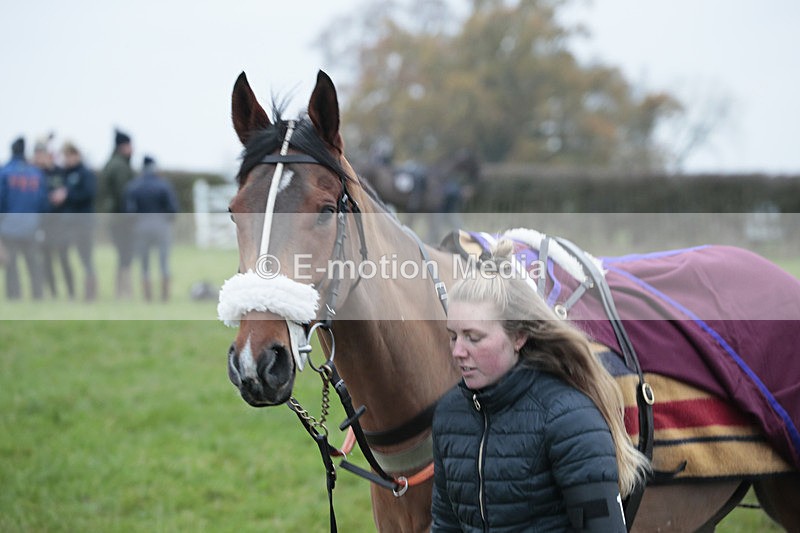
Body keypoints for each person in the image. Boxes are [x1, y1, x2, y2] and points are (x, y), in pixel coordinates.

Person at [431, 239, 649, 532]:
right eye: (453, 336)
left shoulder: (570, 419)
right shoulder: (449, 414)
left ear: (519, 336)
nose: (458, 351)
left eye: (473, 337)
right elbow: (446, 526)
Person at [0, 137, 49, 300]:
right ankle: (38, 297)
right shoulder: (36, 173)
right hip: (32, 226)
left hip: (9, 228)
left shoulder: (4, 172)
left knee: (11, 266)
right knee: (34, 265)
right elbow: (43, 203)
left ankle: (14, 298)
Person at [125, 155, 178, 301]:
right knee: (164, 262)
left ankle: (147, 297)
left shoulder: (134, 185)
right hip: (161, 226)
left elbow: (130, 212)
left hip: (141, 227)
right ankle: (164, 297)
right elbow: (172, 209)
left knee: (144, 264)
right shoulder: (163, 184)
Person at [49, 141, 97, 301]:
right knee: (62, 256)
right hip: (65, 224)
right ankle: (71, 292)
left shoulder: (85, 173)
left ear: (76, 155)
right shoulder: (63, 174)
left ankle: (90, 293)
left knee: (85, 257)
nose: (67, 159)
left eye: (69, 155)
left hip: (82, 223)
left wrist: (67, 195)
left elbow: (88, 194)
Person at [100, 128, 135, 298]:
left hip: (114, 218)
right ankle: (123, 291)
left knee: (122, 255)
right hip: (122, 220)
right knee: (125, 256)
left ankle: (121, 291)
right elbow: (124, 194)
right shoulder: (120, 166)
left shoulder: (111, 163)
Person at [33, 134, 66, 298]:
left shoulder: (60, 172)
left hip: (58, 223)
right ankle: (51, 293)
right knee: (45, 261)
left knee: (63, 258)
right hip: (40, 223)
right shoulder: (33, 173)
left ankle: (70, 293)